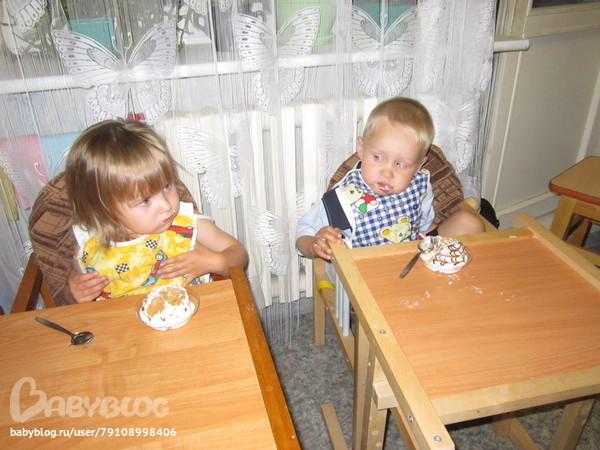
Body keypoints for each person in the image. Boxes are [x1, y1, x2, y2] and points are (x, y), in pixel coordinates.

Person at [65, 119, 248, 303]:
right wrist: (75, 293)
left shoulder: (187, 222)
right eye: (145, 201)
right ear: (103, 208)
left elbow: (238, 254)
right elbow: (73, 297)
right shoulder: (88, 243)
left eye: (167, 186)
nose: (166, 206)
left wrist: (214, 262)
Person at [296, 97, 484, 260]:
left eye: (401, 164)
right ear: (361, 148)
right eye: (378, 157)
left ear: (418, 166)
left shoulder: (419, 185)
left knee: (469, 222)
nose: (387, 173)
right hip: (367, 270)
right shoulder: (342, 198)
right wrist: (314, 244)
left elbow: (423, 224)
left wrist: (435, 239)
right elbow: (303, 235)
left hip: (413, 254)